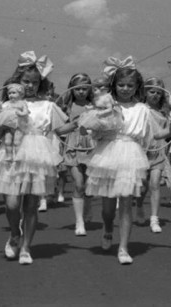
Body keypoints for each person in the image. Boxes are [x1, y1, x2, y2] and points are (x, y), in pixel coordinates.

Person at [0, 50, 76, 265]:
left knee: (30, 205)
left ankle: (26, 247)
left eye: (34, 83)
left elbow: (60, 129)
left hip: (36, 157)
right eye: (25, 81)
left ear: (41, 84)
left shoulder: (47, 106)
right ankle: (14, 234)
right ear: (17, 81)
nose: (29, 86)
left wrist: (77, 123)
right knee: (11, 204)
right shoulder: (7, 105)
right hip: (11, 156)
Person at [83, 56, 153, 265]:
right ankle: (106, 228)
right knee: (107, 206)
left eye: (130, 85)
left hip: (131, 153)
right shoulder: (107, 104)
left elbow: (147, 135)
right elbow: (94, 130)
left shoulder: (142, 109)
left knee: (125, 202)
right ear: (114, 86)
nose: (125, 89)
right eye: (121, 85)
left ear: (137, 87)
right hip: (108, 153)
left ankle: (123, 247)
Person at [59, 73, 96, 236]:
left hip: (91, 147)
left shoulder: (95, 105)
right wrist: (73, 124)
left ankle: (87, 209)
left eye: (84, 89)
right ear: (72, 89)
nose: (81, 92)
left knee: (88, 185)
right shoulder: (66, 106)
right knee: (79, 183)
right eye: (78, 89)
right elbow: (59, 128)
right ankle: (79, 221)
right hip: (73, 146)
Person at [136, 77, 171, 233]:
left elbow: (167, 132)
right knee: (142, 187)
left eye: (158, 92)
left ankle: (154, 219)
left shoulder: (164, 112)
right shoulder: (140, 108)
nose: (155, 95)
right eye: (152, 92)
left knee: (155, 183)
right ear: (145, 92)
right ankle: (138, 205)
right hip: (141, 151)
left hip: (157, 151)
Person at [0, 83, 30, 161]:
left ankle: (18, 155)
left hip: (19, 126)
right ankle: (9, 155)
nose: (11, 95)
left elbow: (26, 112)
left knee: (17, 142)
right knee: (7, 141)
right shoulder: (7, 104)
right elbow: (2, 112)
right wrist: (0, 106)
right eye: (9, 93)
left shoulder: (22, 103)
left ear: (20, 94)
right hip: (8, 126)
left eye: (13, 93)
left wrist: (21, 113)